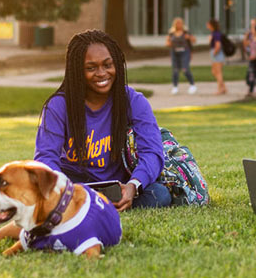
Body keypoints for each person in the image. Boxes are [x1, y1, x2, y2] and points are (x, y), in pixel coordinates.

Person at [35, 29, 172, 211]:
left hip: (118, 186)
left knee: (159, 195)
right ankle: (80, 204)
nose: (102, 73)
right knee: (41, 189)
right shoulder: (58, 105)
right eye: (91, 68)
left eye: (108, 65)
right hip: (74, 186)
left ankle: (97, 206)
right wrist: (64, 190)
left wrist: (133, 186)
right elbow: (46, 157)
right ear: (77, 71)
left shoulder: (133, 101)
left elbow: (152, 152)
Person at [165, 17, 197, 95]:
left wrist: (189, 37)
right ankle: (175, 87)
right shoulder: (171, 33)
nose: (178, 25)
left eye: (180, 23)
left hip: (185, 52)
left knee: (185, 69)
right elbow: (167, 43)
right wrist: (169, 43)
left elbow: (194, 40)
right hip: (174, 52)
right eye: (177, 23)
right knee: (175, 70)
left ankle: (192, 85)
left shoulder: (186, 32)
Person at [207, 19, 227, 95]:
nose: (207, 25)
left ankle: (220, 89)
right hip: (215, 53)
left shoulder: (216, 34)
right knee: (214, 71)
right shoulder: (213, 33)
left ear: (211, 25)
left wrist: (214, 53)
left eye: (208, 24)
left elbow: (218, 45)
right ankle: (224, 88)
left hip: (217, 53)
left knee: (218, 72)